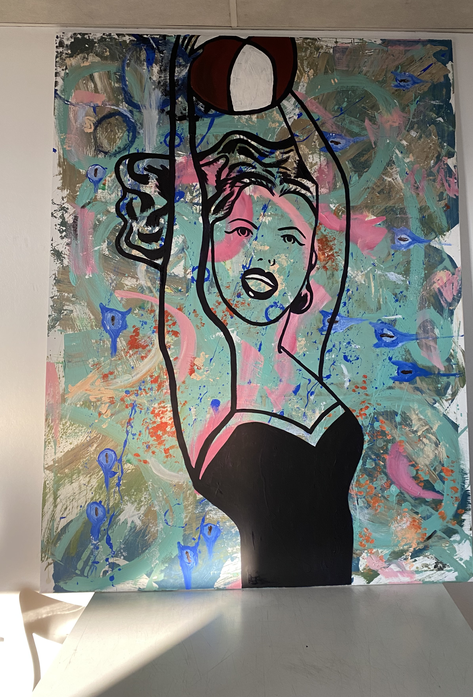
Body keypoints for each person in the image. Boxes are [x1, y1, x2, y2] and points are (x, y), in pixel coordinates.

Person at [115, 35, 363, 587]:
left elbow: (335, 199)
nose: (265, 252)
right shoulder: (203, 360)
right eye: (244, 231)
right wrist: (184, 82)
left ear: (309, 267)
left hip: (343, 610)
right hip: (264, 615)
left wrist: (285, 93)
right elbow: (184, 213)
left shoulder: (308, 359)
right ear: (209, 247)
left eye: (288, 237)